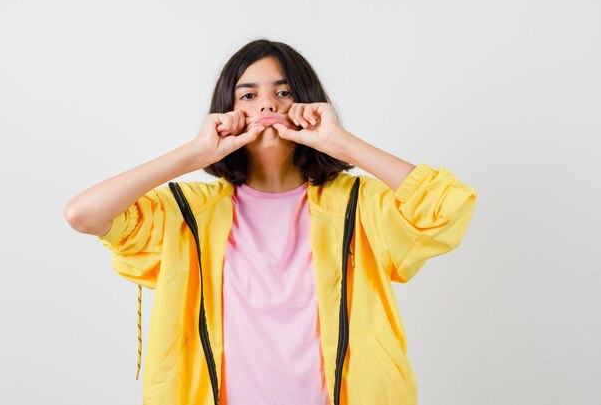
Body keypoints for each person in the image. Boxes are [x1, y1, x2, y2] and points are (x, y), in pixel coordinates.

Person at [65, 38, 477, 405]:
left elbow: (447, 207)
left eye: (283, 92)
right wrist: (195, 154)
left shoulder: (358, 205)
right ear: (226, 110)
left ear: (307, 104)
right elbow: (84, 214)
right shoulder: (188, 212)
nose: (266, 104)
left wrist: (340, 142)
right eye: (248, 95)